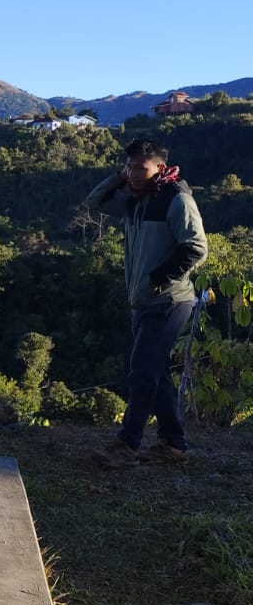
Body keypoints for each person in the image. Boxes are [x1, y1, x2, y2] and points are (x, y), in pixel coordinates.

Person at [85, 137, 207, 467]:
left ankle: (127, 445)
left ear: (161, 168)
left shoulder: (176, 199)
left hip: (168, 300)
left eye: (141, 168)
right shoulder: (136, 200)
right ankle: (173, 443)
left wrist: (157, 279)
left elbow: (196, 247)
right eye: (130, 167)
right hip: (142, 301)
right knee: (155, 372)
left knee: (141, 372)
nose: (134, 173)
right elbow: (94, 203)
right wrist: (119, 178)